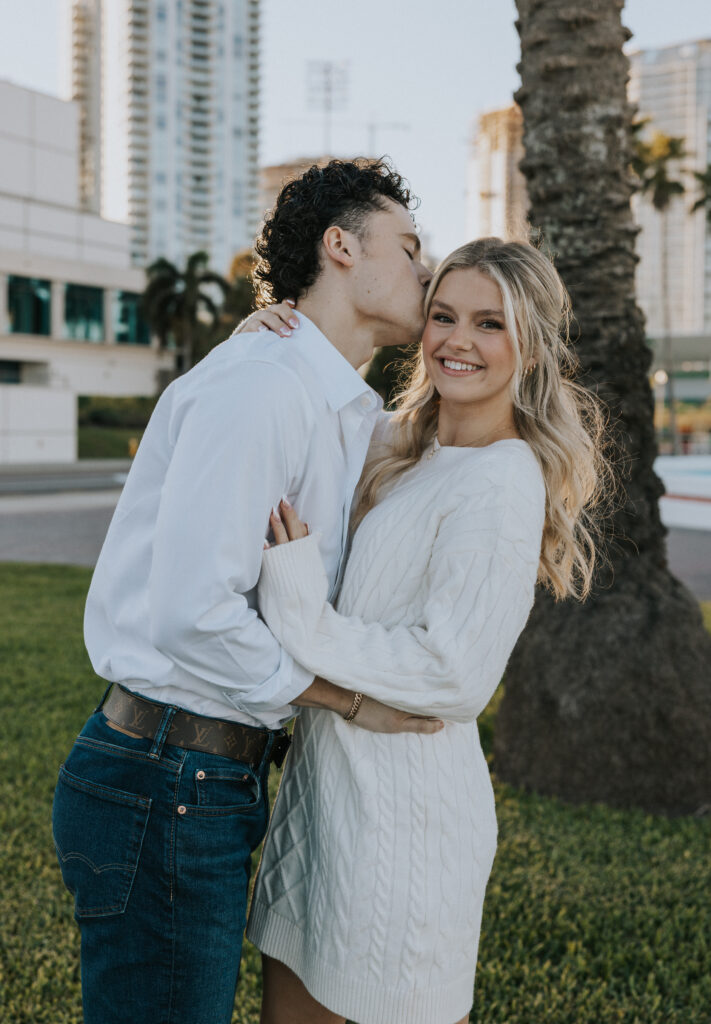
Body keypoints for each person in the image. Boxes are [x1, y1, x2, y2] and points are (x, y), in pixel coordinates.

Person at [50, 158, 439, 1024]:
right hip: (165, 778)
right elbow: (195, 612)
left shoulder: (327, 400)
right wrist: (347, 701)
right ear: (340, 247)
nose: (426, 270)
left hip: (199, 777)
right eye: (410, 248)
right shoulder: (265, 386)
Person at [237, 237, 610, 1024]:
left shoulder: (503, 481)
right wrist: (269, 337)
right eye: (443, 316)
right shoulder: (401, 446)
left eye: (489, 324)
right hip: (323, 804)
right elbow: (303, 415)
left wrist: (301, 612)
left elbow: (453, 672)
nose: (456, 341)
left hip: (402, 830)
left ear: (531, 348)